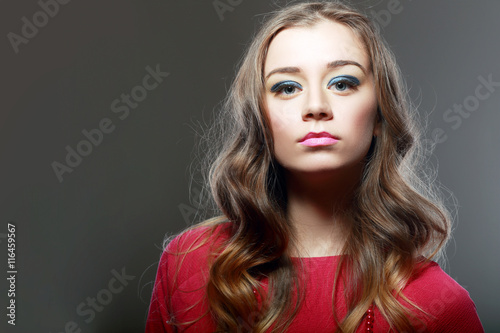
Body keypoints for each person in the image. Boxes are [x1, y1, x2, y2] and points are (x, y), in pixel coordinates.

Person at [145, 1, 484, 332]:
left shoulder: (439, 305)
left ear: (381, 114)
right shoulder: (187, 265)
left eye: (342, 83)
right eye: (287, 87)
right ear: (259, 119)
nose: (316, 107)